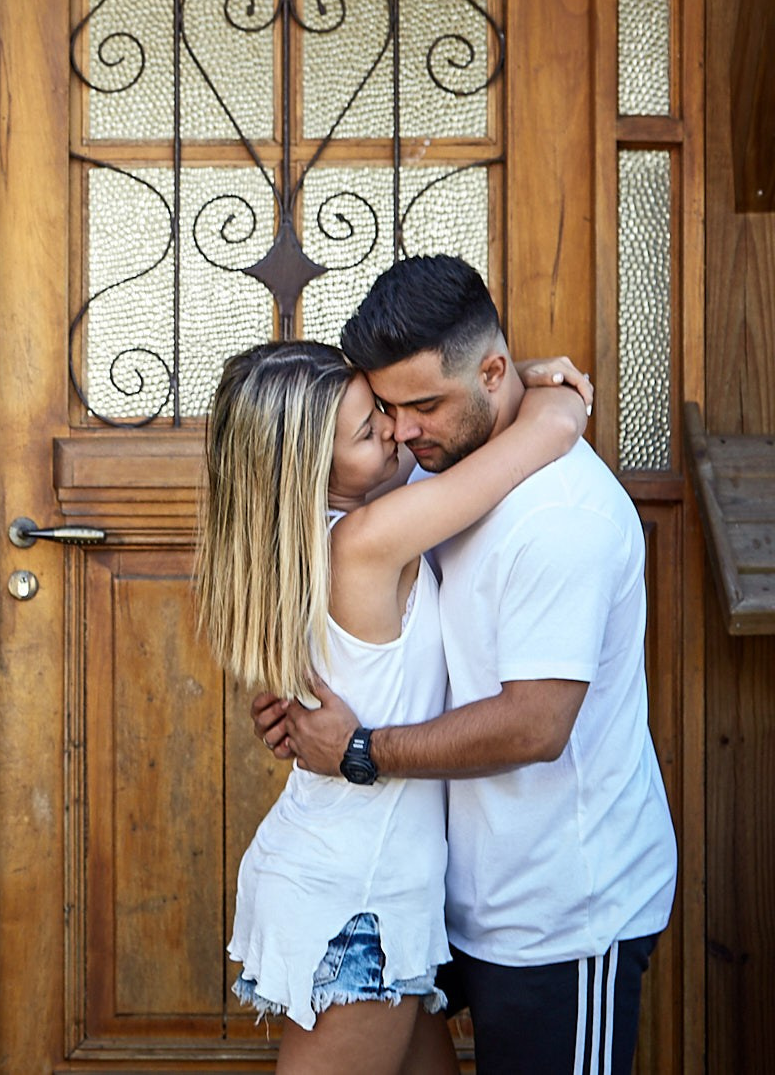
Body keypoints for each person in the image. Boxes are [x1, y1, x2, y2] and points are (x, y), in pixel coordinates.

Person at [253, 255, 678, 1075]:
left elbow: (536, 723)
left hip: (561, 907)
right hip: (447, 889)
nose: (403, 430)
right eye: (386, 409)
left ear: (486, 373)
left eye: (422, 406)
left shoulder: (559, 515)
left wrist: (359, 748)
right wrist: (538, 387)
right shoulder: (434, 461)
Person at [201, 336, 591, 1074]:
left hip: (368, 885)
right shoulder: (370, 538)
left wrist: (506, 379)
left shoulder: (309, 539)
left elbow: (448, 433)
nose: (394, 428)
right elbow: (550, 434)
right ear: (313, 465)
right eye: (368, 426)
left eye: (380, 407)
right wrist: (545, 389)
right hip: (360, 904)